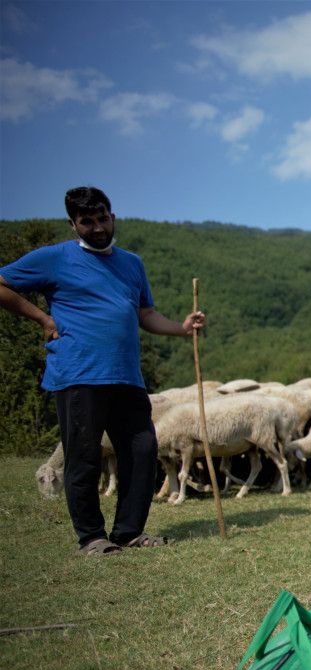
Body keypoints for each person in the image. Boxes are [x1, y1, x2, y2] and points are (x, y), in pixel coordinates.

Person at [0, 187, 205, 555]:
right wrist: (42, 317)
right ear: (73, 224)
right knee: (84, 454)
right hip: (78, 373)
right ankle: (92, 537)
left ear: (113, 216)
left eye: (102, 218)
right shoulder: (54, 259)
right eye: (87, 222)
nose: (97, 227)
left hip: (126, 375)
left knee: (142, 450)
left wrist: (182, 327)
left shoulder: (131, 263)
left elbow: (145, 314)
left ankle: (128, 531)